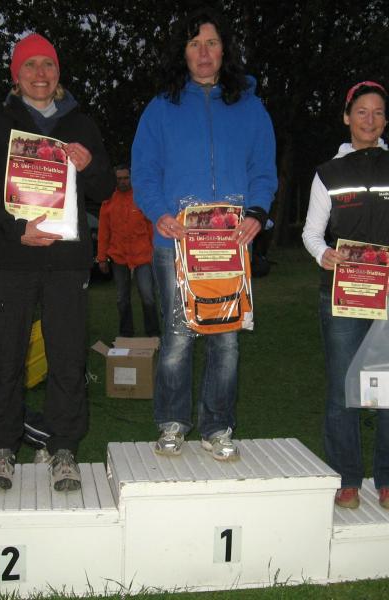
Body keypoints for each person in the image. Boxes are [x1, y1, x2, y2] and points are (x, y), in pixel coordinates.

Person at [0, 33, 115, 491]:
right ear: (16, 75)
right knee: (6, 355)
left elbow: (105, 189)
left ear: (58, 73)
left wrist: (89, 166)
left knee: (67, 358)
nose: (40, 74)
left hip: (66, 263)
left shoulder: (82, 125)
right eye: (29, 65)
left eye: (47, 65)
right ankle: (2, 448)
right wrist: (16, 229)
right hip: (11, 259)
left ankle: (63, 449)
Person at [131, 8, 277, 461]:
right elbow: (144, 172)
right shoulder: (161, 108)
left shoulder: (250, 107)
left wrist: (257, 214)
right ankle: (172, 422)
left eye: (211, 43)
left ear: (224, 50)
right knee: (177, 336)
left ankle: (218, 426)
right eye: (194, 44)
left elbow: (264, 171)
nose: (203, 52)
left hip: (231, 244)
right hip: (175, 243)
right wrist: (159, 214)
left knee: (226, 338)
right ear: (183, 52)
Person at [302, 81, 389, 510]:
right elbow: (311, 232)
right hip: (342, 297)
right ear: (347, 117)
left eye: (377, 112)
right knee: (343, 392)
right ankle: (347, 479)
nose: (369, 120)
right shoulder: (328, 173)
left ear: (385, 121)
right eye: (361, 111)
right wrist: (322, 254)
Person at [96, 165, 160, 338]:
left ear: (131, 178)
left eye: (126, 178)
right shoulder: (108, 201)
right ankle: (126, 334)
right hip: (118, 257)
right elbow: (103, 232)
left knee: (148, 296)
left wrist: (155, 251)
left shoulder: (141, 199)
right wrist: (101, 258)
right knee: (121, 298)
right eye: (119, 179)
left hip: (142, 255)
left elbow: (151, 227)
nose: (123, 182)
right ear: (114, 180)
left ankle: (154, 334)